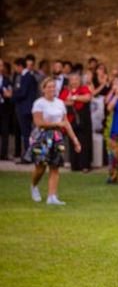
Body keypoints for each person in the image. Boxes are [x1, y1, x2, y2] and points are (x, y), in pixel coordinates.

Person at [28, 77, 82, 205]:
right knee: (40, 167)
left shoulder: (60, 103)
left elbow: (66, 123)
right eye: (49, 86)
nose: (52, 89)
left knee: (55, 167)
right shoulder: (39, 103)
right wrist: (56, 123)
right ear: (44, 89)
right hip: (42, 137)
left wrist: (75, 140)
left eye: (53, 86)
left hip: (57, 137)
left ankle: (52, 197)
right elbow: (38, 123)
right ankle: (34, 186)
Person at [59, 71, 93, 172]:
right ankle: (75, 165)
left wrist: (74, 97)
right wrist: (72, 100)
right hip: (72, 120)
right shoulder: (66, 90)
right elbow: (62, 102)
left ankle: (85, 165)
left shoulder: (84, 89)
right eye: (72, 80)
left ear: (80, 81)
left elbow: (87, 97)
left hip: (84, 120)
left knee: (85, 142)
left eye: (76, 80)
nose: (74, 82)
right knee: (73, 142)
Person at [12, 57, 39, 162]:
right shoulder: (29, 76)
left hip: (25, 109)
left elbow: (23, 93)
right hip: (27, 108)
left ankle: (28, 157)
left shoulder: (27, 76)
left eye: (16, 67)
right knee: (27, 133)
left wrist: (12, 95)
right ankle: (29, 155)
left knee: (26, 133)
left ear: (20, 66)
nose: (15, 69)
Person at [0, 60, 13, 160]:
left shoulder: (7, 79)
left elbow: (10, 92)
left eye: (1, 65)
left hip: (4, 109)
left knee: (5, 132)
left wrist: (9, 94)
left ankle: (3, 154)